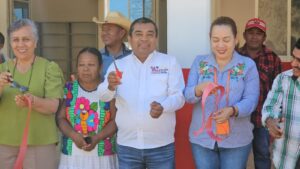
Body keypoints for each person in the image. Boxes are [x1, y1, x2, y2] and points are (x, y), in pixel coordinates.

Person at [98, 17, 185, 169]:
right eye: (138, 34)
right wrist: (110, 87)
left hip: (161, 147)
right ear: (130, 38)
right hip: (127, 146)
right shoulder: (118, 65)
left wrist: (163, 107)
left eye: (150, 34)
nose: (144, 39)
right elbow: (103, 95)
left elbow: (178, 97)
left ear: (156, 38)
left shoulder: (169, 62)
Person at [184, 16, 260, 169]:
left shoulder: (247, 65)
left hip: (236, 139)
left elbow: (251, 100)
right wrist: (199, 89)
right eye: (215, 39)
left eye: (226, 39)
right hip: (203, 139)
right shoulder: (200, 62)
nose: (220, 45)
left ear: (236, 39)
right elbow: (187, 96)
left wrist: (233, 110)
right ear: (210, 39)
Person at [0, 19, 64, 169]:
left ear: (35, 42)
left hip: (39, 142)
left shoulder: (50, 68)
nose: (21, 44)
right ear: (10, 43)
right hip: (3, 143)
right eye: (16, 40)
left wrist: (32, 101)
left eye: (26, 39)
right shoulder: (1, 68)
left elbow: (53, 107)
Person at [56, 47, 118, 169]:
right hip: (72, 156)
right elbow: (60, 118)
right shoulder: (69, 89)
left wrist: (97, 138)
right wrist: (74, 136)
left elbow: (115, 121)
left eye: (91, 64)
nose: (85, 69)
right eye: (81, 65)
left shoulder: (109, 90)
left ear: (100, 67)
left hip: (103, 157)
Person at [238, 18, 282, 169]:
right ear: (244, 35)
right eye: (251, 33)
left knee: (263, 154)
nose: (254, 36)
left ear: (264, 37)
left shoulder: (273, 58)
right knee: (237, 156)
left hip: (261, 118)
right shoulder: (236, 56)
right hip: (239, 117)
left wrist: (274, 116)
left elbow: (278, 90)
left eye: (259, 33)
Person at [262, 38, 300, 169]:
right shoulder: (282, 79)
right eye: (293, 57)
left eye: (299, 60)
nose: (293, 63)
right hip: (287, 159)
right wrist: (270, 121)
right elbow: (270, 106)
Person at [93, 12, 131, 80]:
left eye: (109, 29)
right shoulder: (96, 57)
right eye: (103, 30)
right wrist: (73, 87)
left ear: (121, 33)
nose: (104, 33)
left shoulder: (133, 57)